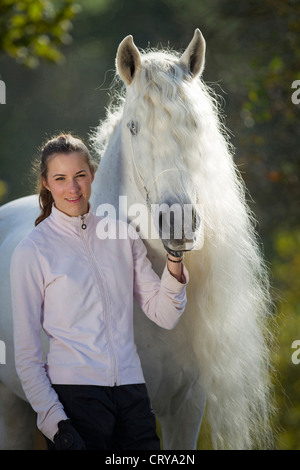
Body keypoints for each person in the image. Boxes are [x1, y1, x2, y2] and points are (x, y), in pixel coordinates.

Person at [10, 134, 189, 451]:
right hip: (75, 400)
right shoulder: (33, 250)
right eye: (61, 179)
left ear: (92, 174)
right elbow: (27, 357)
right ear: (46, 183)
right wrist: (56, 424)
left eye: (80, 176)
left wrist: (175, 256)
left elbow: (165, 314)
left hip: (133, 394)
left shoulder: (121, 235)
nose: (73, 188)